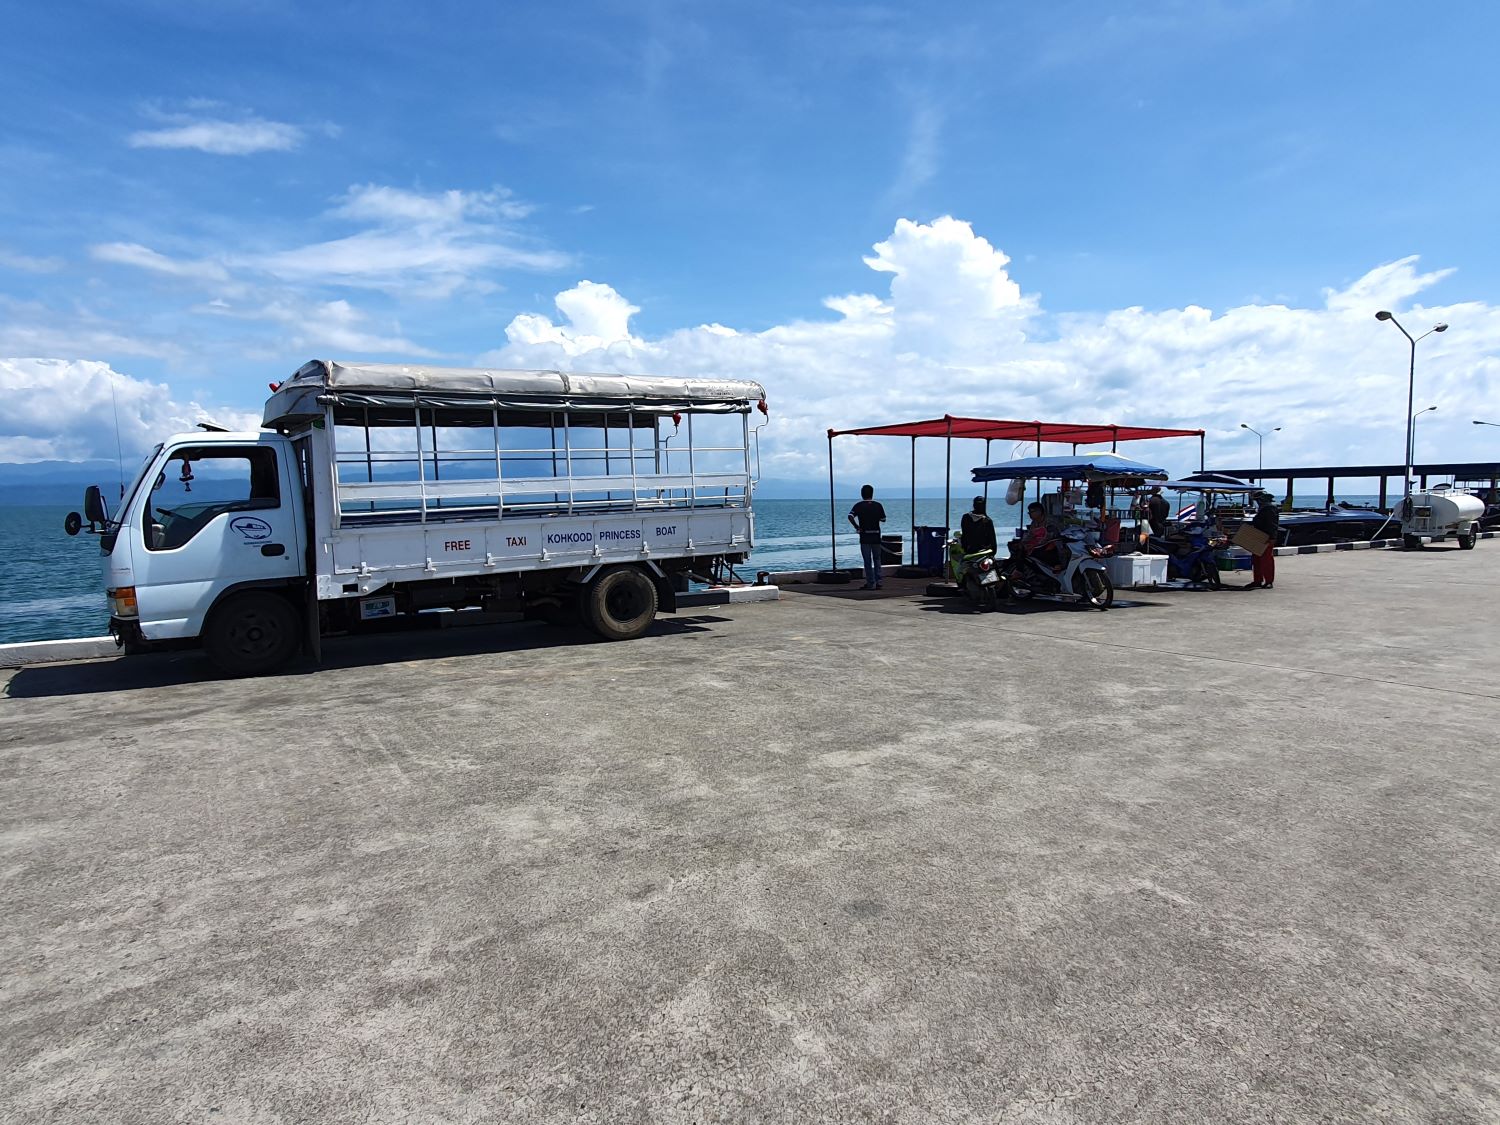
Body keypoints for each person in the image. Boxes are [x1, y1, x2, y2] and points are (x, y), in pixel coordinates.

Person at [847, 484, 887, 590]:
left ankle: (870, 583)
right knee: (877, 559)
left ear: (862, 494)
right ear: (872, 494)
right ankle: (878, 581)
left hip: (865, 536)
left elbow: (850, 516)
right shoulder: (878, 505)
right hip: (876, 535)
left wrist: (857, 526)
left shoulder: (859, 505)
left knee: (867, 560)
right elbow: (883, 519)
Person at [1246, 491, 1279, 589]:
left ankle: (1269, 581)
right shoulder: (1264, 508)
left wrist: (1272, 537)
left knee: (1266, 560)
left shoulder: (1270, 508)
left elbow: (1272, 525)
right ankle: (1258, 580)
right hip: (1259, 536)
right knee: (1256, 559)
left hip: (1266, 537)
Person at [1021, 501, 1065, 571]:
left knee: (1045, 551)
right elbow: (1030, 534)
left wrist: (1034, 545)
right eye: (1029, 513)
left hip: (1053, 544)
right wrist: (1024, 542)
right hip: (1039, 545)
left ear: (1039, 511)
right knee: (1020, 549)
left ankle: (1057, 566)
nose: (1030, 515)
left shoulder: (1050, 521)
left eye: (1032, 512)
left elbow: (1050, 537)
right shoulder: (1034, 522)